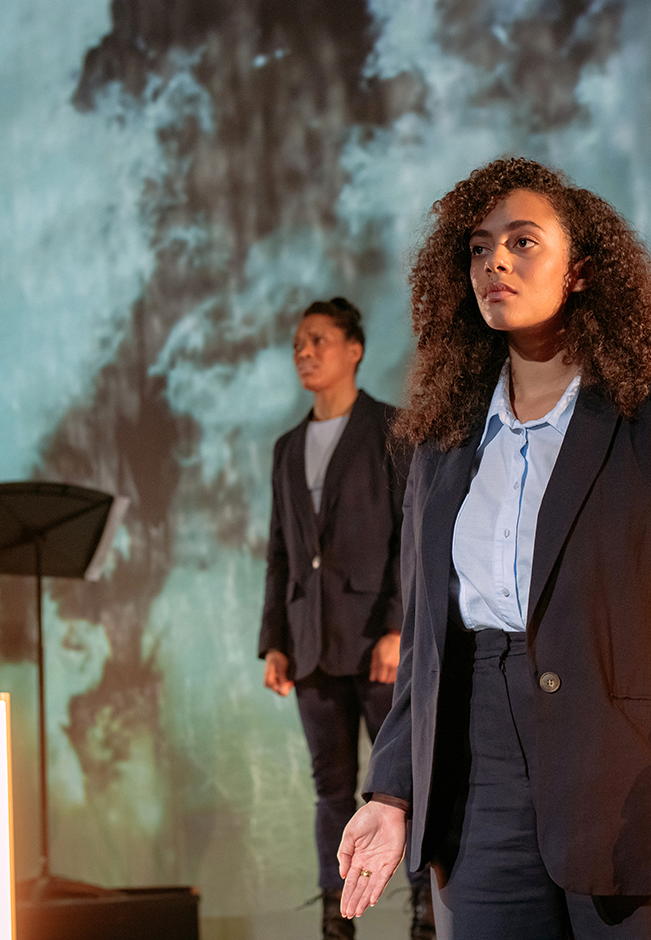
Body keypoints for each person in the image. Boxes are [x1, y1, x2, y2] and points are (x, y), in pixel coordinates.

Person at [336, 159, 651, 939]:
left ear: (581, 273)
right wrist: (392, 790)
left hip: (632, 780)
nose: (495, 261)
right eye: (478, 247)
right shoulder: (440, 444)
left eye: (523, 242)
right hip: (480, 784)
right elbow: (428, 644)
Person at [258, 298, 434, 940]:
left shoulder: (392, 429)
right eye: (299, 343)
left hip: (375, 643)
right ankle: (337, 916)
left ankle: (424, 909)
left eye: (319, 341)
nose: (305, 352)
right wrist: (273, 642)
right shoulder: (286, 447)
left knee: (399, 785)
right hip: (310, 644)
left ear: (354, 349)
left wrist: (397, 628)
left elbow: (409, 539)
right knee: (329, 786)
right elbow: (280, 548)